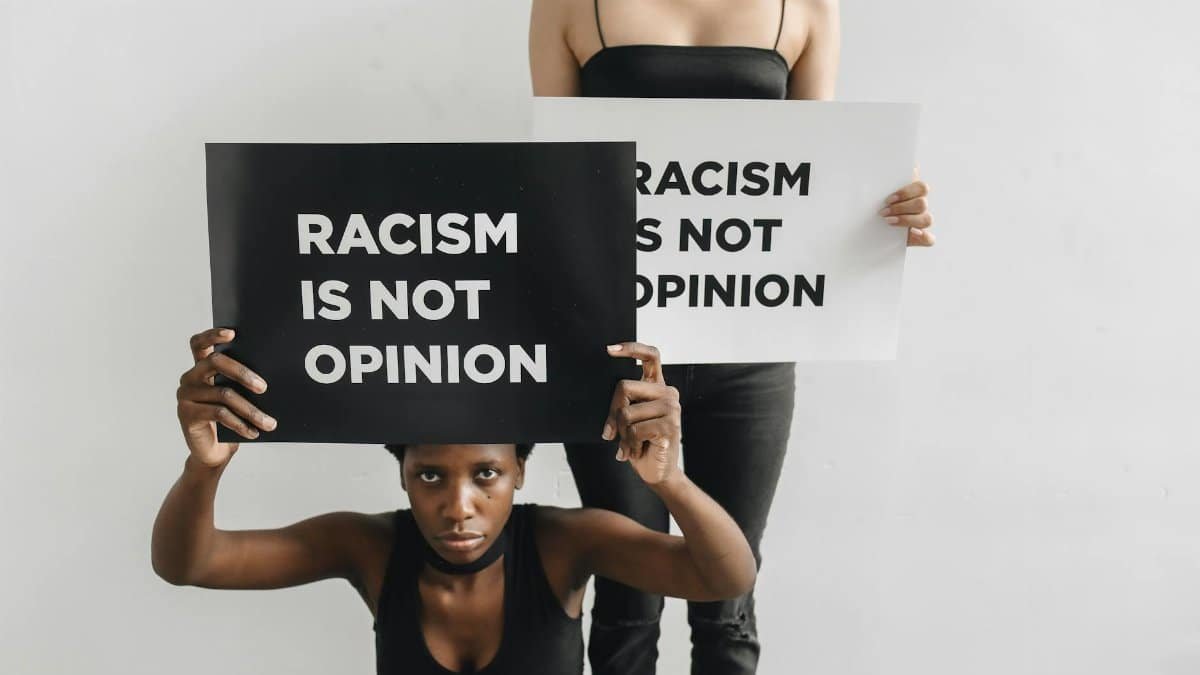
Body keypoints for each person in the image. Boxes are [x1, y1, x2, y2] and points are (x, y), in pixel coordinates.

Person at [529, 1, 936, 674]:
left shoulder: (806, 7)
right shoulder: (570, 4)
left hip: (750, 347)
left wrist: (891, 206)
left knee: (730, 591)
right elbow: (556, 174)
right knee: (629, 590)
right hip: (613, 352)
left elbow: (812, 175)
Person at [152, 327, 757, 675]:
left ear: (521, 471)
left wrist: (668, 482)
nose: (459, 506)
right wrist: (203, 469)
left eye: (487, 474)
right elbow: (190, 564)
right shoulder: (369, 547)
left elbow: (724, 577)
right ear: (403, 475)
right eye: (431, 477)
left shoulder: (564, 542)